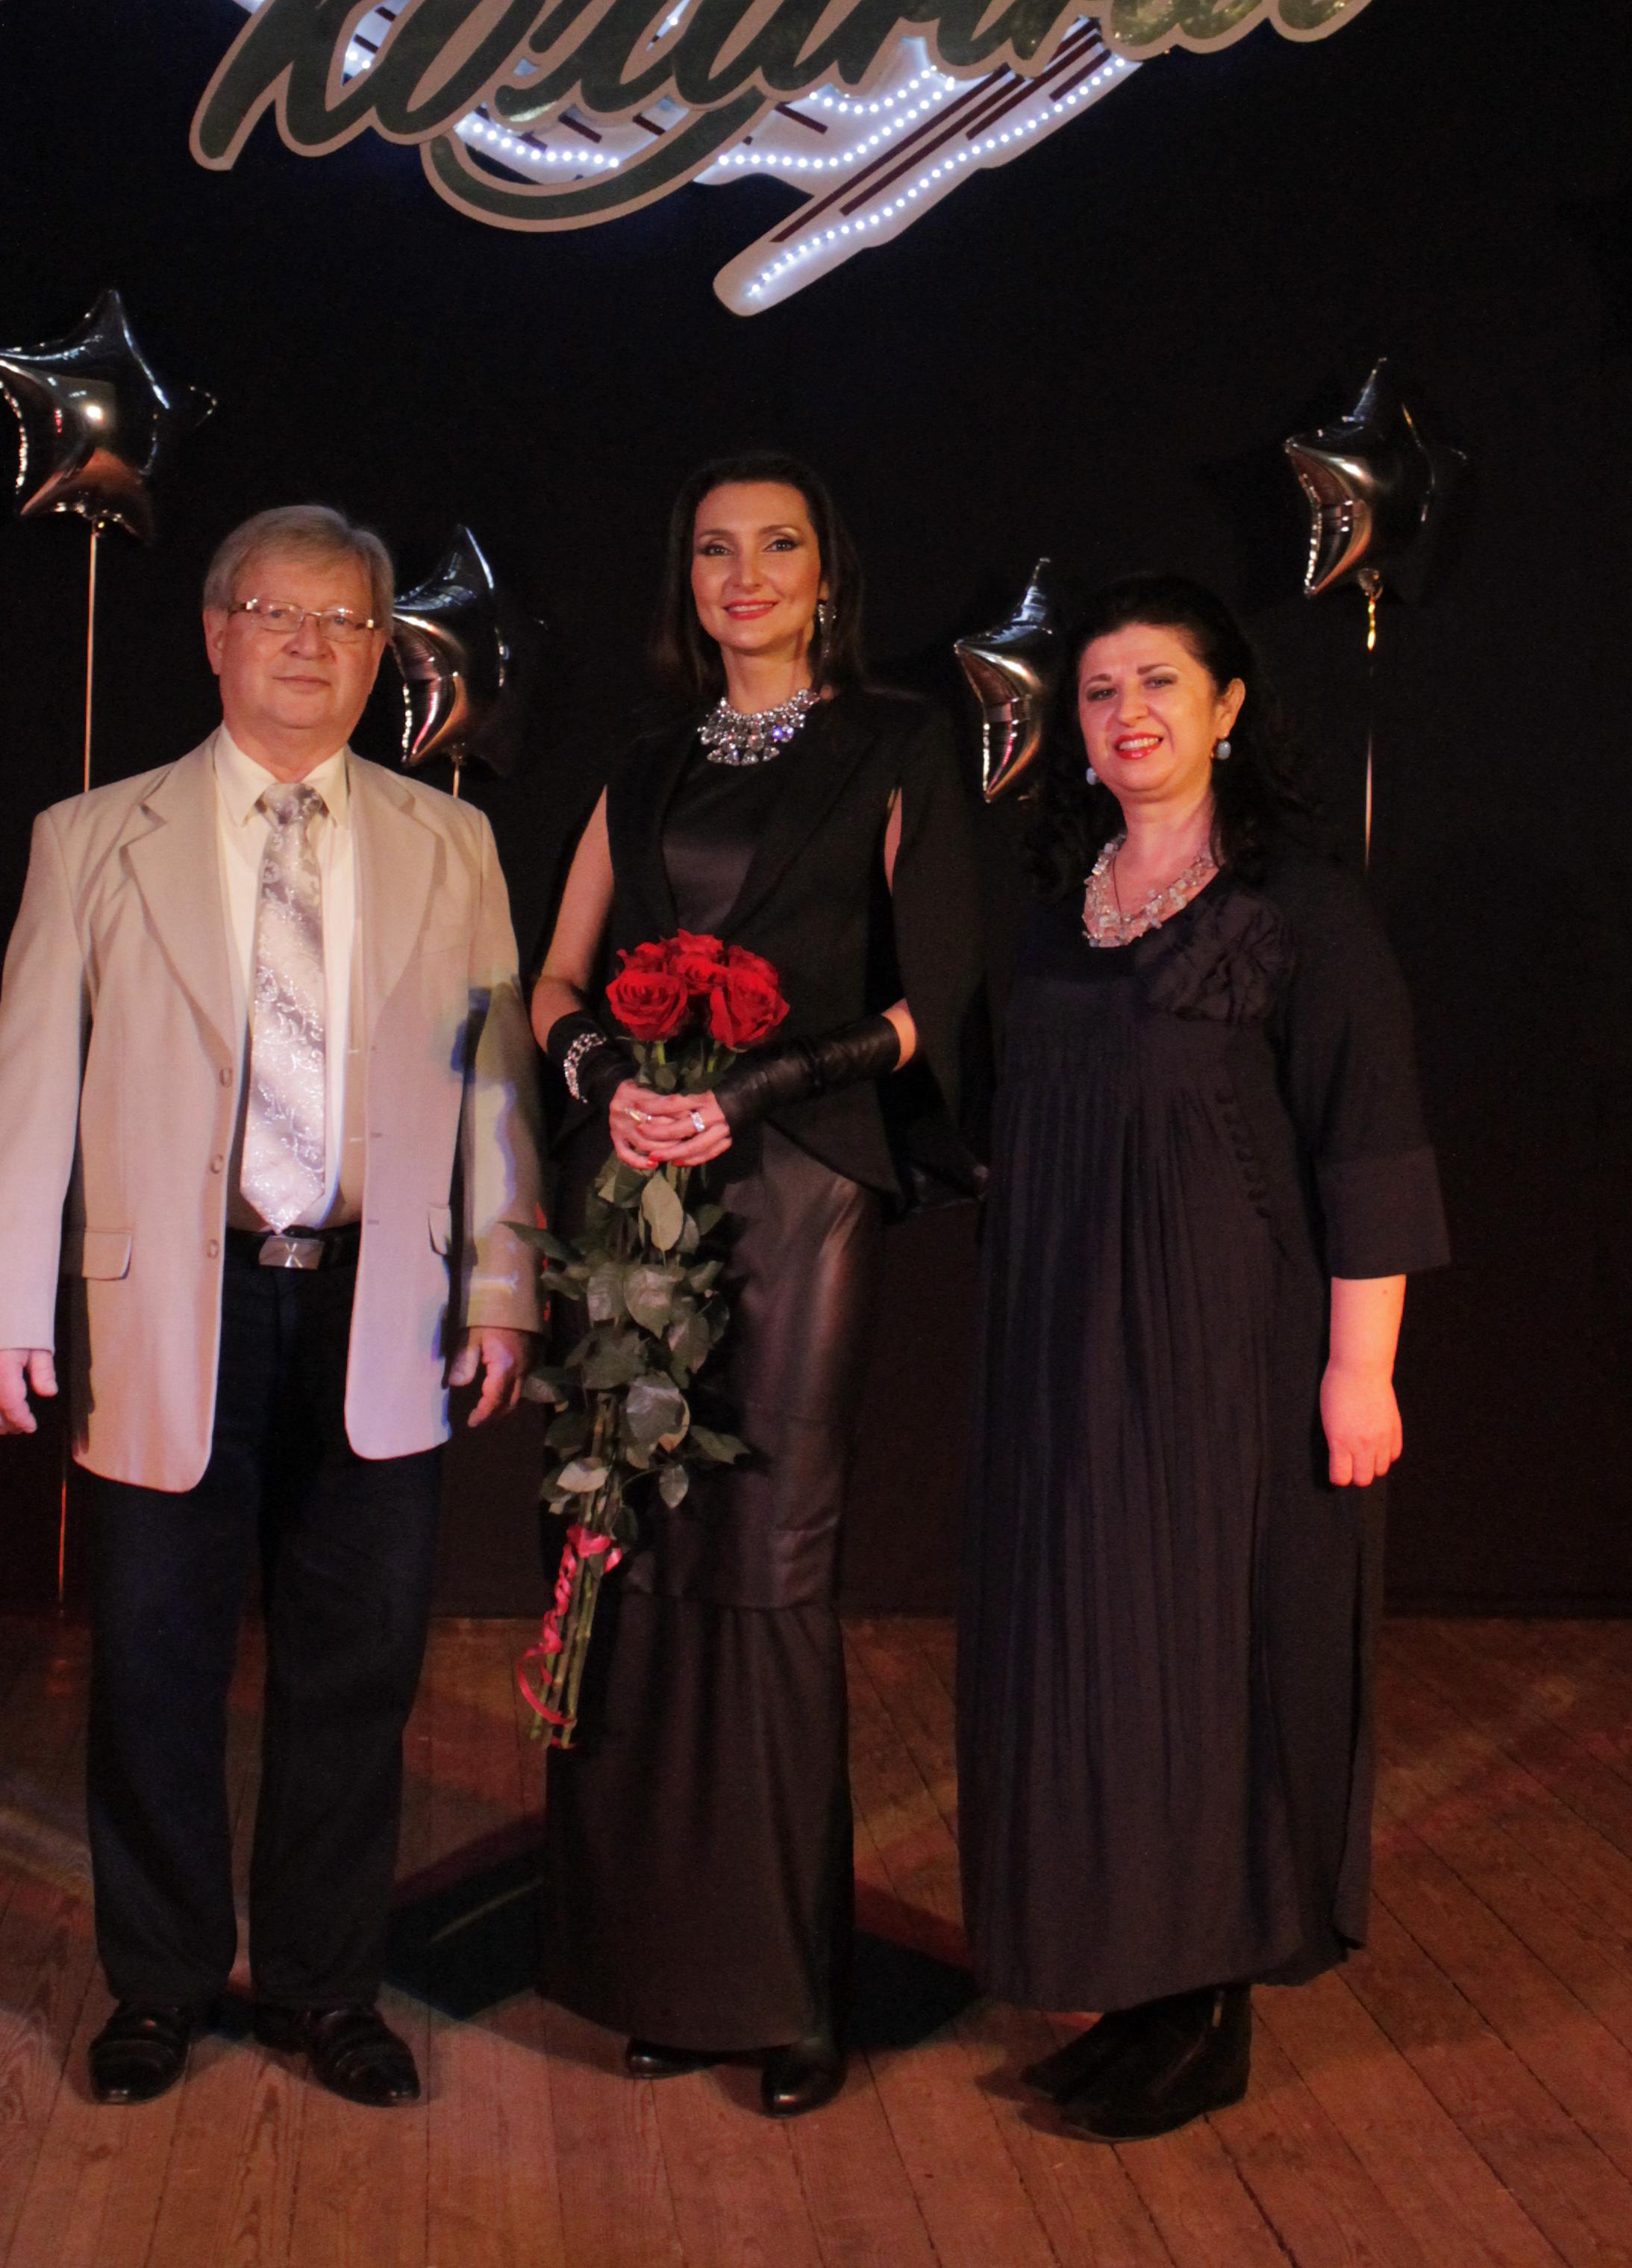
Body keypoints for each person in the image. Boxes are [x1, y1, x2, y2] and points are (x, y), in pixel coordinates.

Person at [0, 504, 543, 2110]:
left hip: (378, 1307)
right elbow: (27, 1084)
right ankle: (157, 1984)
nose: (306, 644)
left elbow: (495, 1085)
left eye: (343, 622)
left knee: (357, 1670)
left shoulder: (451, 843)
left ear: (378, 653)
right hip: (171, 1308)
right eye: (275, 613)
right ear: (215, 635)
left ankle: (322, 1986)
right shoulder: (93, 838)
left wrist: (504, 1286)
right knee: (154, 1668)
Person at [957, 575, 1449, 2143]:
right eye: (1099, 691)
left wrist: (1359, 1370)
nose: (1128, 715)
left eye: (1159, 683)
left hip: (1227, 1352)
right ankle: (1137, 1984)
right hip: (1064, 1350)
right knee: (1092, 1664)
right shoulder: (1064, 906)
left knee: (1211, 1664)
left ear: (1228, 708)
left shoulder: (1299, 908)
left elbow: (1369, 1146)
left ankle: (1210, 2003)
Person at [531, 453, 981, 2116]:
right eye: (714, 548)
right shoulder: (643, 765)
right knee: (643, 1553)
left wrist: (756, 1090)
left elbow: (937, 1002)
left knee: (770, 1561)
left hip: (799, 1189)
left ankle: (790, 1990)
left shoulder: (898, 746)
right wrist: (605, 1079)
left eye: (777, 544)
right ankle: (667, 1971)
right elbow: (554, 980)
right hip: (637, 1188)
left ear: (825, 574)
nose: (745, 574)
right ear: (688, 581)